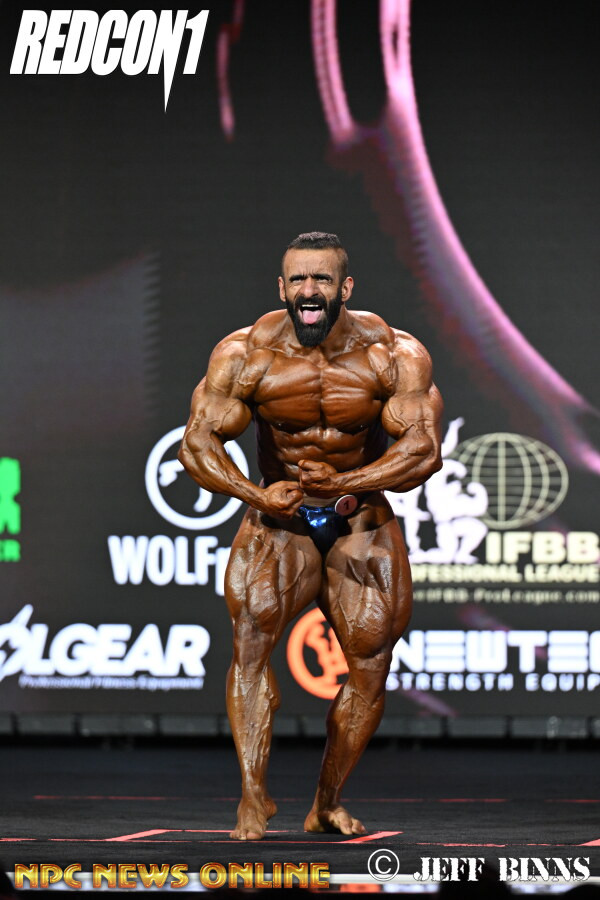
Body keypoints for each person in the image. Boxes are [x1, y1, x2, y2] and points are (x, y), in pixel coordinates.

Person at [179, 232, 443, 840]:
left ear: (344, 288)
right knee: (250, 647)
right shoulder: (246, 354)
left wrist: (347, 480)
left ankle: (326, 801)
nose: (309, 290)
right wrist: (255, 495)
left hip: (359, 521)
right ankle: (253, 797)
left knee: (370, 667)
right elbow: (196, 444)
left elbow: (423, 451)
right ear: (282, 288)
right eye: (298, 279)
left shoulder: (391, 353)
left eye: (321, 279)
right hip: (280, 521)